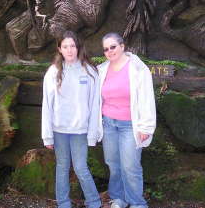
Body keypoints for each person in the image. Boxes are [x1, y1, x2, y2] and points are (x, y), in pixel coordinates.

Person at [42, 30, 102, 208]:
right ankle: (63, 203)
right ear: (59, 49)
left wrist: (93, 134)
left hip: (80, 131)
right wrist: (47, 136)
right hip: (59, 130)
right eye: (65, 46)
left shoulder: (90, 72)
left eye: (73, 46)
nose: (69, 50)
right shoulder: (53, 72)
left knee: (81, 168)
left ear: (78, 47)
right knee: (62, 167)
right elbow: (47, 105)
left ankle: (94, 203)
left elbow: (95, 105)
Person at [97, 33, 156, 208]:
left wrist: (146, 127)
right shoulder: (102, 70)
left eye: (113, 46)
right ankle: (119, 199)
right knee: (113, 164)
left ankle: (137, 203)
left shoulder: (138, 68)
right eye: (106, 49)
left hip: (130, 125)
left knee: (130, 166)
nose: (109, 51)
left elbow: (147, 98)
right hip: (108, 124)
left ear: (122, 46)